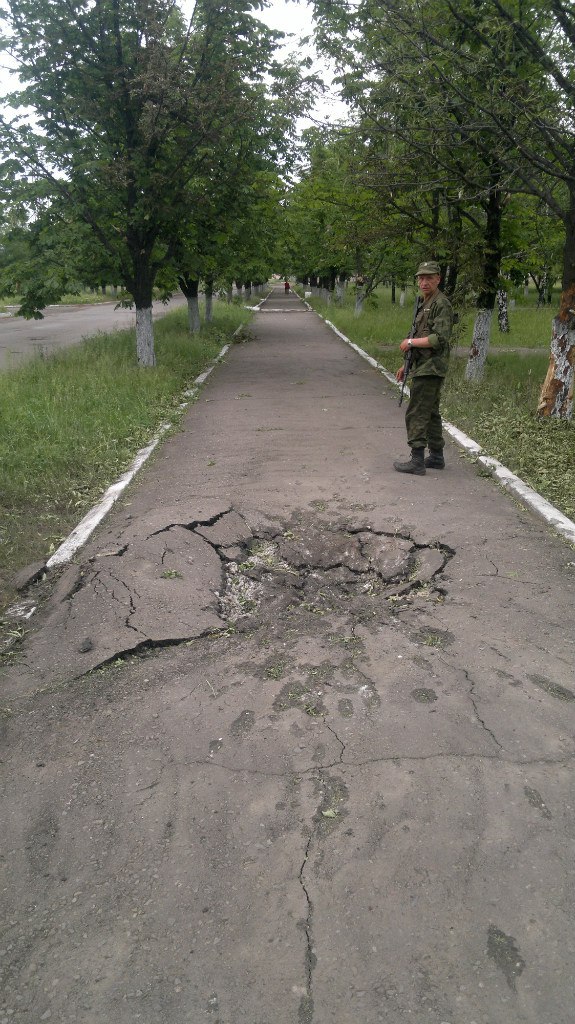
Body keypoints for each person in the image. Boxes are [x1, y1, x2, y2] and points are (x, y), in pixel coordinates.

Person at [393, 260, 453, 475]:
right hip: (423, 365)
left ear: (438, 279)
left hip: (432, 367)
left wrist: (409, 343)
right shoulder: (424, 302)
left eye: (429, 278)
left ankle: (417, 460)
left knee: (417, 412)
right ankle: (436, 457)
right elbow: (420, 334)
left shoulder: (441, 303)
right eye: (421, 277)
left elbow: (439, 339)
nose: (424, 282)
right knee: (431, 413)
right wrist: (406, 364)